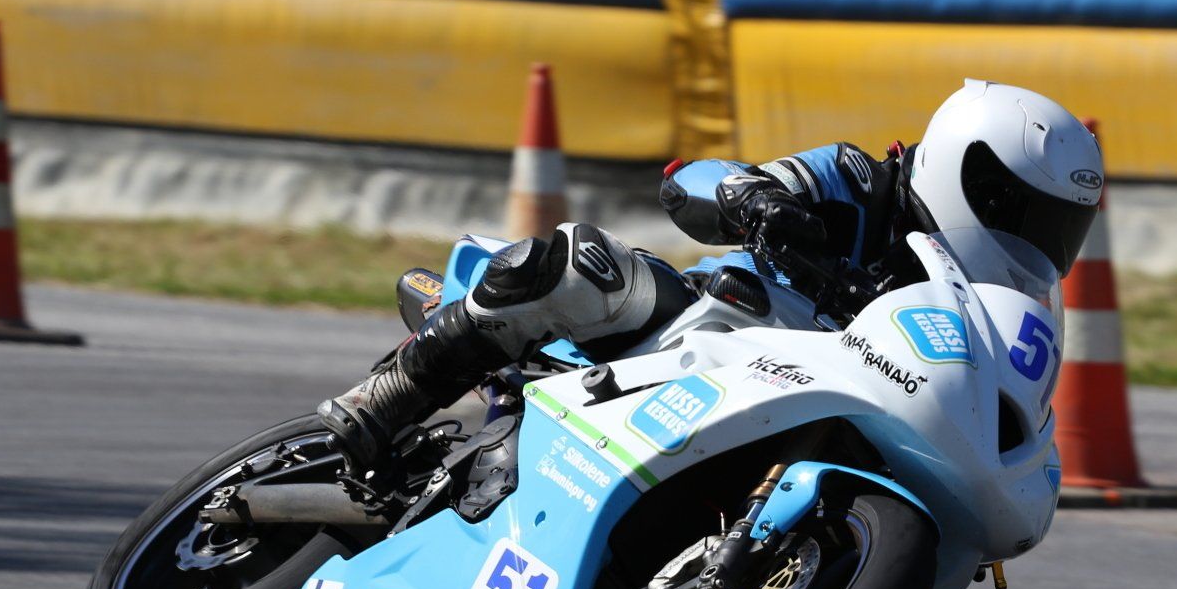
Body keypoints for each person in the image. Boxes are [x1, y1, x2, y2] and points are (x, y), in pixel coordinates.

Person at [318, 81, 1103, 470]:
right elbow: (691, 181)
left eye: (1054, 231)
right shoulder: (861, 184)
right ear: (969, 172)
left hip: (794, 416)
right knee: (581, 264)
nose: (1031, 243)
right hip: (691, 331)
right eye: (1019, 214)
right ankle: (385, 400)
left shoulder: (983, 314)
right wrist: (755, 202)